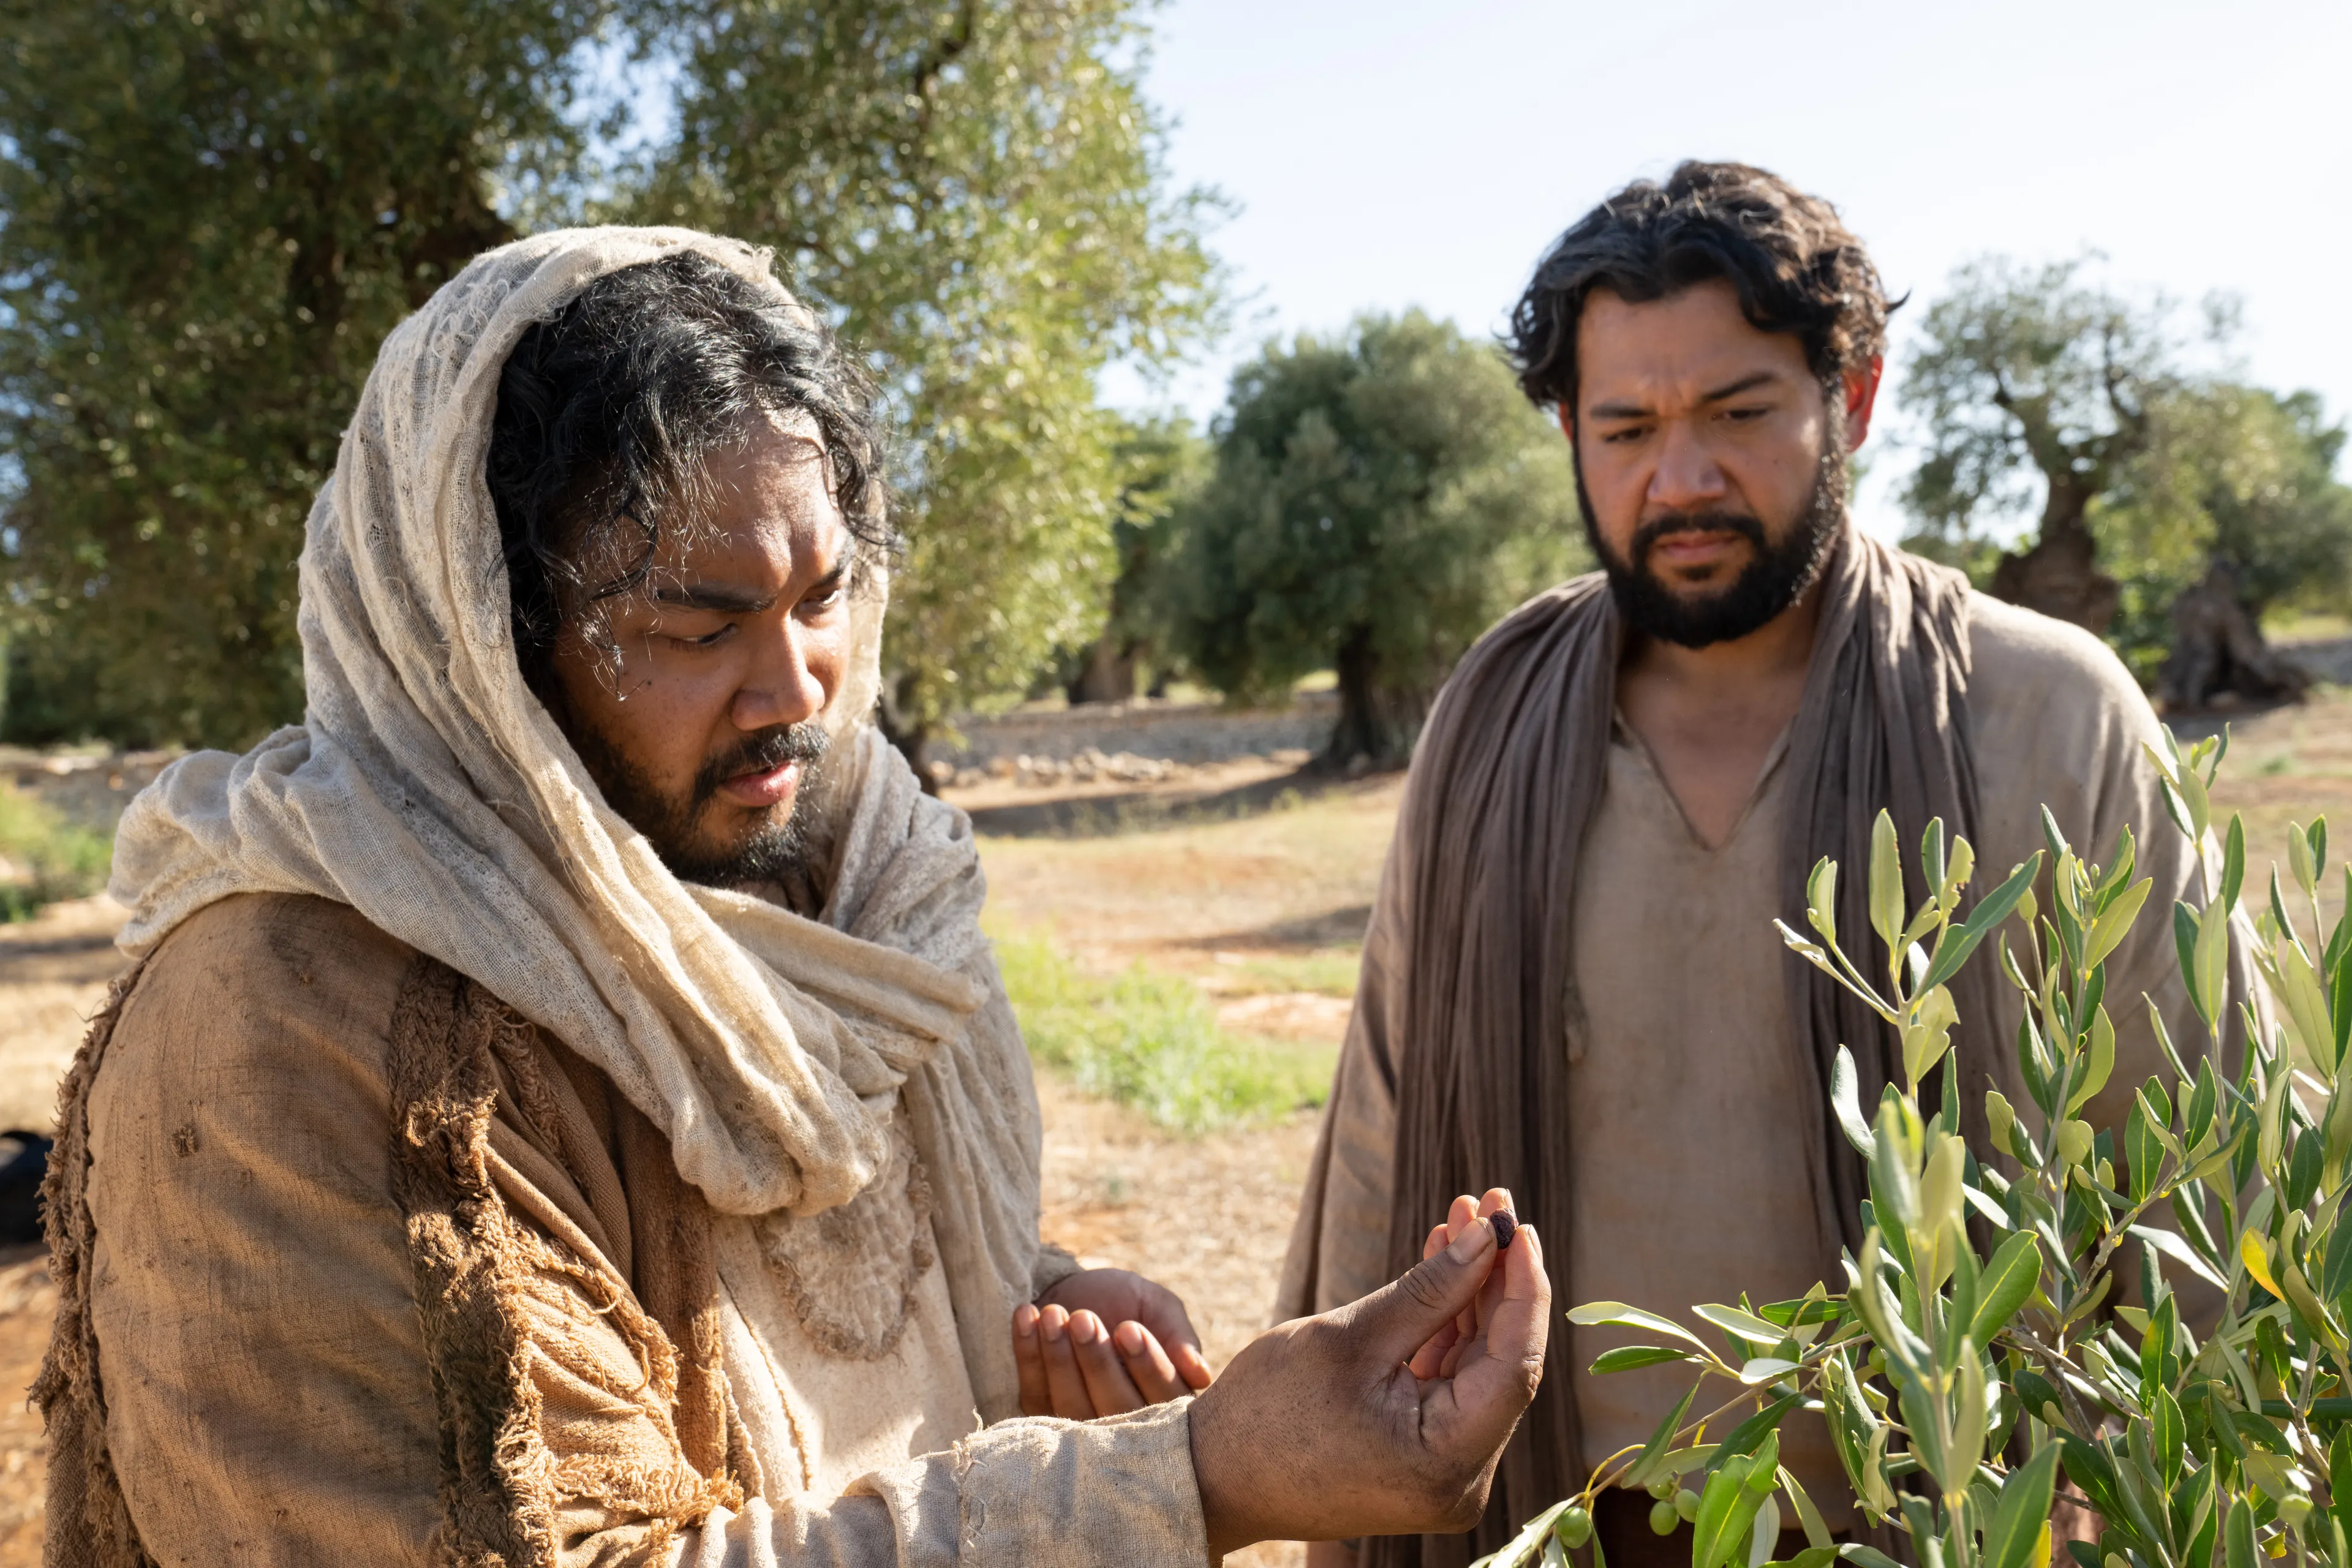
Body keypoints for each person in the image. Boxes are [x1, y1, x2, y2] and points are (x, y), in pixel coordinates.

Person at [37, 228, 1552, 1566]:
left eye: (823, 597)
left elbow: (862, 1301)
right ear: (488, 645)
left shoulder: (869, 894)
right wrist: (1195, 1479)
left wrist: (1033, 1310)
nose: (795, 689)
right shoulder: (297, 1037)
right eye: (695, 625)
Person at [1275, 162, 2247, 1568]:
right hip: (1551, 1526)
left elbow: (2195, 1191)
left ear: (1848, 398)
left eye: (1737, 414)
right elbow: (1379, 1145)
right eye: (1626, 428)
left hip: (1954, 1529)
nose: (1682, 478)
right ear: (1568, 432)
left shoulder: (2047, 714)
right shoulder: (1488, 722)